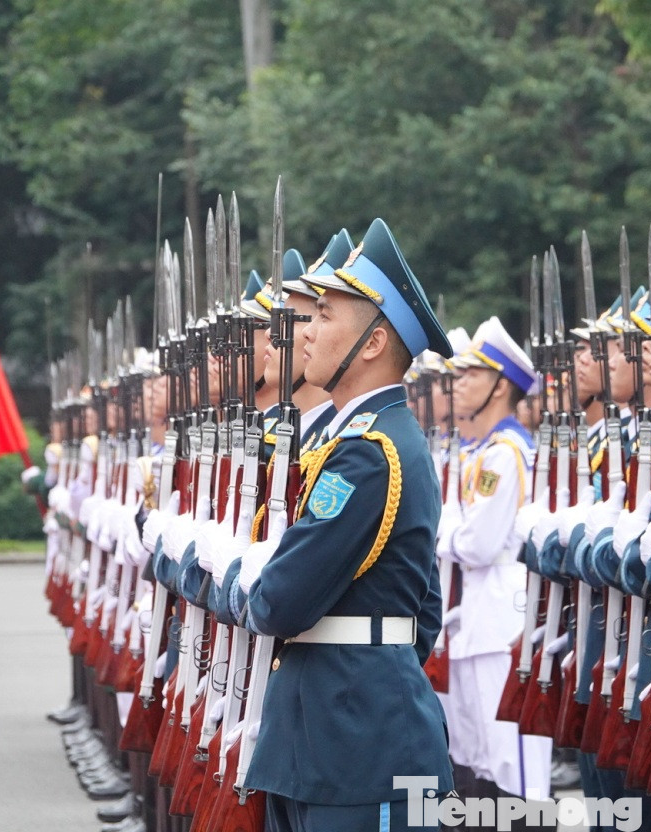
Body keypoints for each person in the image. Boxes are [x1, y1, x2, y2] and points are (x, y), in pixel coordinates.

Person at [226, 217, 455, 832]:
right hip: (333, 733)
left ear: (374, 344)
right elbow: (422, 609)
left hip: (357, 745)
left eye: (324, 315)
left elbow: (279, 603)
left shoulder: (369, 453)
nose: (304, 334)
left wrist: (248, 573)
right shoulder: (366, 443)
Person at [436, 316, 553, 811]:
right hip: (474, 618)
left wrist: (439, 532)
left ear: (501, 386)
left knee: (513, 770)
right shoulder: (479, 451)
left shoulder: (505, 454)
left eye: (471, 375)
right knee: (476, 762)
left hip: (501, 617)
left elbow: (478, 545)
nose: (456, 384)